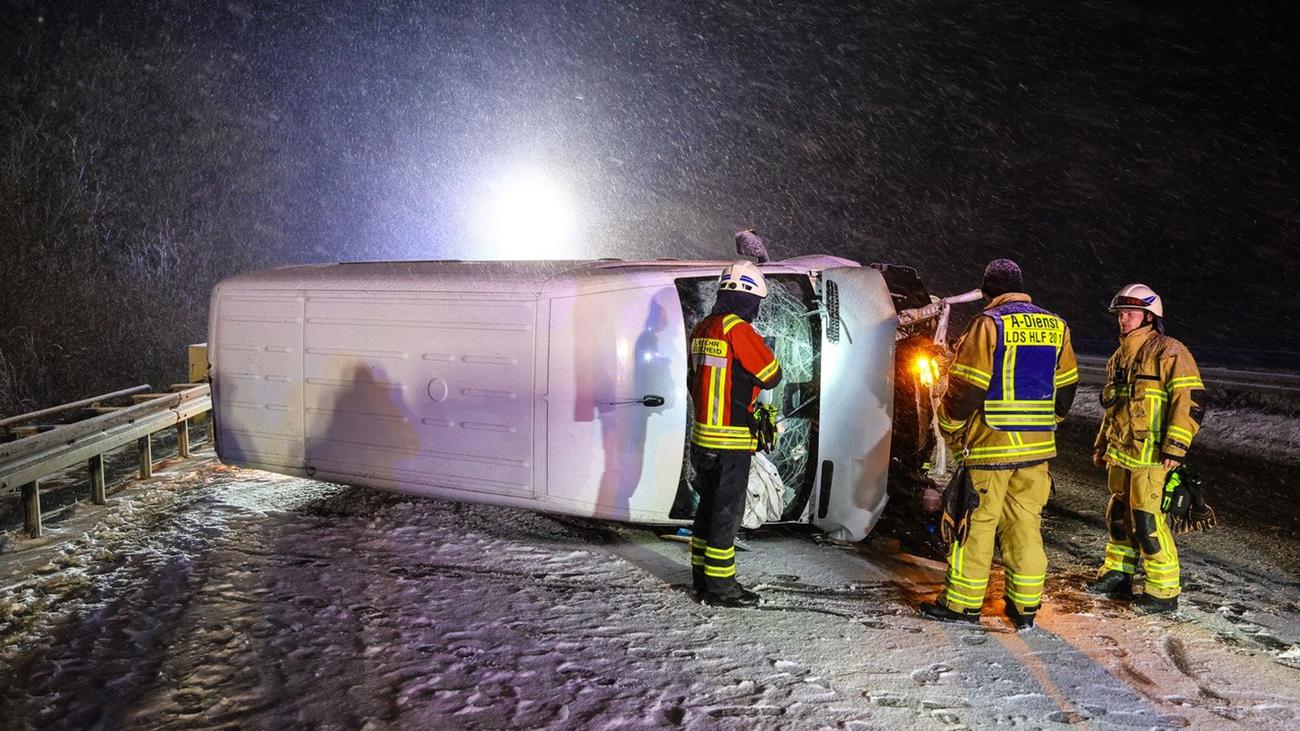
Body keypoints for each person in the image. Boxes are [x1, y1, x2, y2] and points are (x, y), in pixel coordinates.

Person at [921, 259, 1079, 629]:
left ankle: (962, 605)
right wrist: (1047, 423)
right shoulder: (1056, 325)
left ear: (987, 292)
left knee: (974, 525)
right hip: (1036, 452)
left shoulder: (988, 324)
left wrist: (948, 425)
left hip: (991, 447)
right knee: (1025, 525)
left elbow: (969, 386)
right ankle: (1024, 607)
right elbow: (1067, 386)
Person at [1087, 284, 1205, 613]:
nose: (1123, 319)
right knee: (1119, 516)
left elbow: (1190, 402)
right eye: (1120, 314)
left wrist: (1176, 447)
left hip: (1153, 456)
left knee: (1147, 521)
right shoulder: (1118, 357)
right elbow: (1114, 409)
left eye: (1130, 313)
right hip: (1122, 453)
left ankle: (1163, 590)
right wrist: (1101, 444)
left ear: (1150, 316)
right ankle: (1118, 574)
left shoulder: (1169, 352)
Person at [687, 258, 782, 607]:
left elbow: (692, 380)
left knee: (707, 509)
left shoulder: (702, 327)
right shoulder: (737, 329)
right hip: (731, 440)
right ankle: (721, 587)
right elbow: (772, 373)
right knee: (726, 514)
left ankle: (701, 578)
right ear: (748, 299)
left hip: (702, 439)